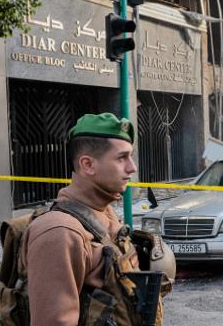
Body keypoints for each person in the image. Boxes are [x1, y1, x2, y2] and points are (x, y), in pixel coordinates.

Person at [20, 113, 175, 325]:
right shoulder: (60, 233)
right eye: (122, 158)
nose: (132, 167)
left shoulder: (104, 212)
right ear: (88, 165)